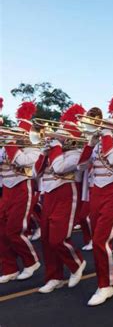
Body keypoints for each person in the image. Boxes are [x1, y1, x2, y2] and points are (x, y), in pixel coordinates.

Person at [77, 91, 113, 306]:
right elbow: (81, 167)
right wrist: (90, 144)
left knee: (101, 240)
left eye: (109, 126)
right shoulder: (101, 144)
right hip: (96, 192)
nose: (104, 129)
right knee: (96, 239)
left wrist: (107, 136)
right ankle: (104, 282)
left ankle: (107, 285)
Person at [34, 104, 87, 293]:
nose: (55, 138)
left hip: (66, 194)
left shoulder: (76, 154)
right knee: (46, 240)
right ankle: (54, 277)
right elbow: (35, 173)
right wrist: (43, 153)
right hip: (48, 195)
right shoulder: (52, 153)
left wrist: (54, 148)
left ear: (71, 139)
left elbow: (59, 168)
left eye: (61, 136)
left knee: (58, 239)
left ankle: (77, 263)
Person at [0, 101, 41, 283]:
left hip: (24, 188)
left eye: (20, 135)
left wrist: (9, 142)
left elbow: (22, 162)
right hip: (7, 189)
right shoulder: (6, 147)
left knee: (14, 231)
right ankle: (9, 267)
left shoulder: (35, 149)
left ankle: (31, 262)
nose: (16, 137)